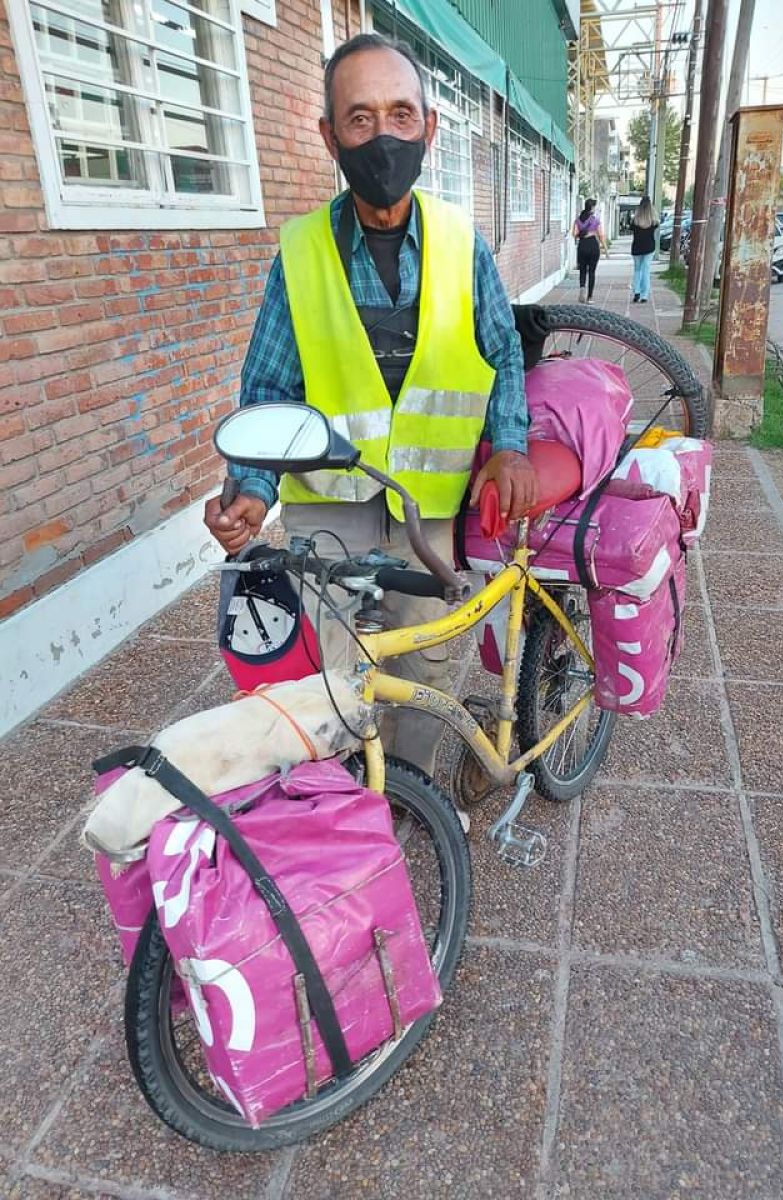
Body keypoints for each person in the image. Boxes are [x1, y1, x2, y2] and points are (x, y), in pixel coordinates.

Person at [203, 32, 537, 778]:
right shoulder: (299, 254)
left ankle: (408, 790)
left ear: (429, 129)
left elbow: (503, 352)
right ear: (329, 136)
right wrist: (250, 492)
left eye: (400, 114)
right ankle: (343, 792)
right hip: (332, 509)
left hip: (433, 508)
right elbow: (269, 390)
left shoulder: (461, 242)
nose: (382, 137)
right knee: (323, 669)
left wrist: (510, 443)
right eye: (359, 119)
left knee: (426, 658)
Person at [572, 198, 608, 303]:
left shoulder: (578, 220)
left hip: (582, 246)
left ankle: (582, 287)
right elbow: (601, 236)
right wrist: (606, 250)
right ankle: (590, 297)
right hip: (593, 246)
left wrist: (582, 234)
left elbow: (574, 234)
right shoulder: (595, 220)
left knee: (582, 270)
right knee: (592, 272)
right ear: (592, 208)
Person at [630, 195, 658, 304]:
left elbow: (631, 227)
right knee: (646, 270)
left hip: (637, 247)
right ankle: (644, 295)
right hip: (649, 247)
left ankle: (636, 291)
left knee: (637, 270)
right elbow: (656, 226)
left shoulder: (635, 220)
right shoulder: (654, 221)